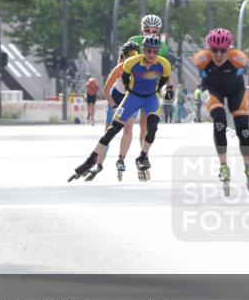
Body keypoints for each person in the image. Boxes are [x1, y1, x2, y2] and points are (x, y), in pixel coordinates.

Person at [69, 35, 172, 182]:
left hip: (150, 98)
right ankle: (91, 160)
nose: (151, 55)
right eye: (148, 51)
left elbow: (167, 81)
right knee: (112, 129)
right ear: (144, 50)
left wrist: (166, 99)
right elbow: (123, 82)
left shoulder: (164, 64)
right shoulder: (130, 63)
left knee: (152, 127)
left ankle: (142, 156)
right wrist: (116, 105)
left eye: (155, 52)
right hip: (132, 97)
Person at [192, 28, 249, 195]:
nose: (218, 55)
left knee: (243, 129)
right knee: (220, 121)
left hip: (236, 91)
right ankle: (223, 166)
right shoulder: (201, 59)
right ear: (208, 49)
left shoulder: (238, 58)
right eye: (214, 50)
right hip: (212, 90)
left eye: (223, 51)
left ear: (229, 49)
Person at [125, 14, 171, 144]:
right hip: (132, 89)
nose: (150, 33)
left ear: (159, 32)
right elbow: (123, 64)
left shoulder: (162, 47)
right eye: (147, 30)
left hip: (150, 90)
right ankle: (121, 158)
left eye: (154, 31)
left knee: (144, 125)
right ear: (142, 30)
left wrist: (169, 90)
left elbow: (166, 70)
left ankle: (143, 154)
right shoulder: (133, 41)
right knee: (128, 125)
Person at [101, 41, 141, 180]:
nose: (131, 58)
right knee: (109, 130)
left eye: (135, 55)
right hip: (116, 95)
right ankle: (99, 161)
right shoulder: (120, 66)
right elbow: (105, 90)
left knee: (128, 128)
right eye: (127, 56)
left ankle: (121, 159)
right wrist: (113, 106)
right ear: (123, 56)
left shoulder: (141, 66)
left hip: (131, 97)